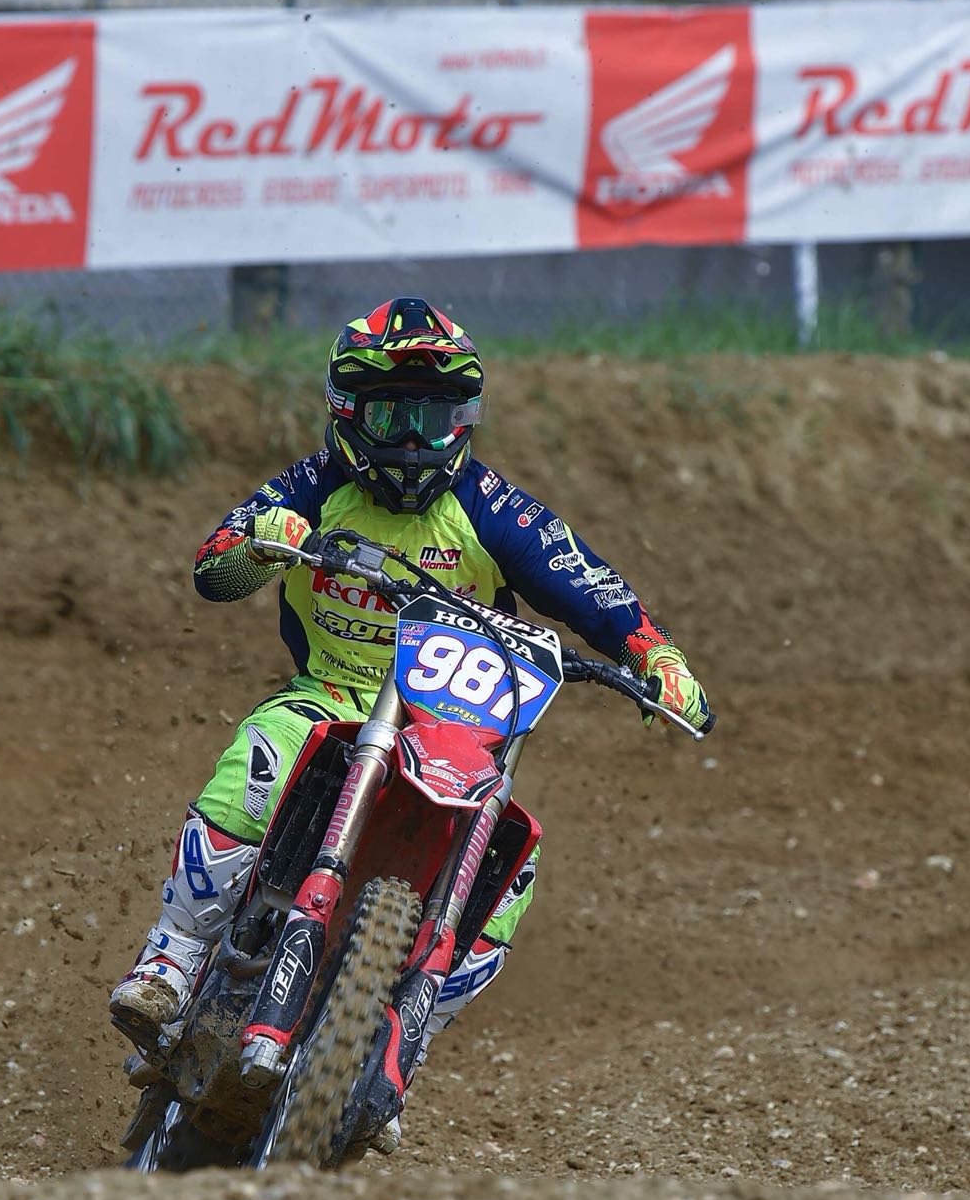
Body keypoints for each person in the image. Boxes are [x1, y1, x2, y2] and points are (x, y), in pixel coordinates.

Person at [110, 297, 713, 1144]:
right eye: (393, 415)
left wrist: (656, 654)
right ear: (348, 410)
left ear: (465, 418)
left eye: (434, 418)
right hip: (333, 694)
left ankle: (394, 1046)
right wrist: (262, 540)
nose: (413, 438)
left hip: (451, 728)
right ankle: (171, 959)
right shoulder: (312, 487)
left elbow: (587, 584)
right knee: (262, 752)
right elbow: (215, 571)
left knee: (512, 876)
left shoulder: (493, 508)